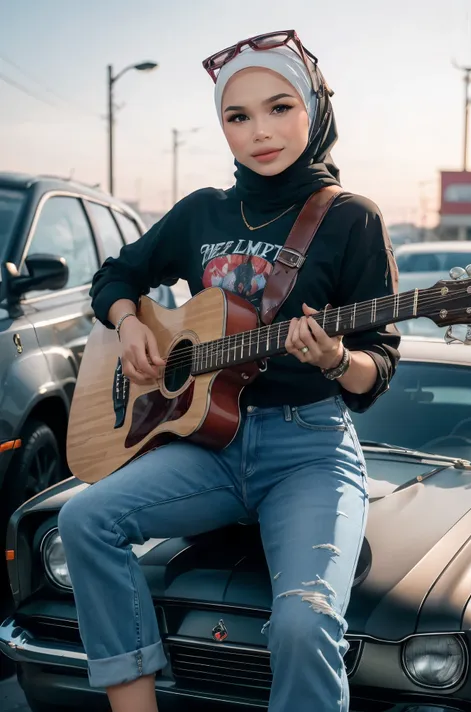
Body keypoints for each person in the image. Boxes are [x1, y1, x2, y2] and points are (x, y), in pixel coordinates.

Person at [58, 29, 400, 712]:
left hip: (309, 451)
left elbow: (376, 369)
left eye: (279, 108)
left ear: (313, 108)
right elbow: (115, 276)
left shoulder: (351, 218)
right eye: (237, 117)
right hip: (206, 446)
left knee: (304, 619)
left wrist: (335, 358)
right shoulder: (200, 213)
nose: (259, 132)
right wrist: (130, 324)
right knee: (84, 520)